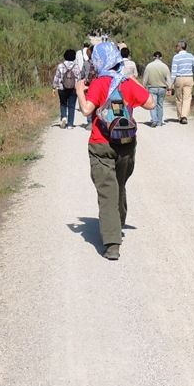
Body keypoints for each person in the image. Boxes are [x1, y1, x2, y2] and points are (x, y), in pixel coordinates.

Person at [75, 42, 155, 260]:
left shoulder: (99, 83)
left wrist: (79, 91)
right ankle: (118, 222)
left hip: (101, 143)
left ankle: (112, 244)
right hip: (127, 143)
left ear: (99, 61)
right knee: (119, 185)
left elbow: (86, 110)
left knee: (107, 191)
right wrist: (133, 81)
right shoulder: (127, 82)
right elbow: (150, 103)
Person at [169, 39, 194, 124]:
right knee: (187, 98)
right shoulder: (191, 56)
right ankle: (184, 116)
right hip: (189, 78)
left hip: (179, 79)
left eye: (177, 46)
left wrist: (170, 84)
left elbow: (174, 72)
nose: (176, 48)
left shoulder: (176, 57)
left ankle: (180, 116)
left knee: (179, 98)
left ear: (180, 47)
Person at [141, 51, 171, 126]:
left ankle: (154, 120)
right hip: (162, 88)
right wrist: (169, 88)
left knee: (152, 104)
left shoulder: (149, 66)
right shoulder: (165, 66)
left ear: (153, 57)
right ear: (161, 57)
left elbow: (145, 78)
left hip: (152, 88)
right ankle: (160, 121)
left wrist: (143, 86)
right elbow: (168, 79)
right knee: (160, 105)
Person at [51, 49, 77, 128]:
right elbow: (78, 78)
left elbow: (57, 77)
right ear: (74, 57)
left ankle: (64, 117)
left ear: (65, 56)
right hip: (73, 89)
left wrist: (54, 87)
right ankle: (70, 124)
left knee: (63, 104)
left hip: (62, 88)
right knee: (72, 106)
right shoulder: (76, 66)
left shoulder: (60, 65)